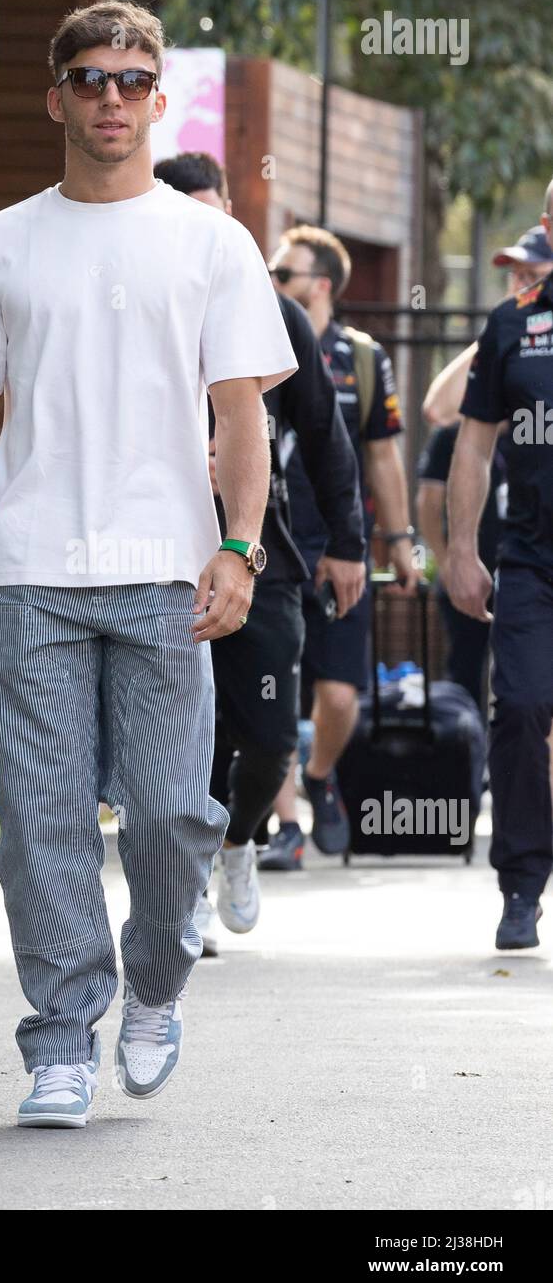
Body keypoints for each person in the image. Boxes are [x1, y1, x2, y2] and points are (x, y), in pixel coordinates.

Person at [0, 0, 297, 1127]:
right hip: (31, 577)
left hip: (168, 575)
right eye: (89, 79)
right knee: (41, 822)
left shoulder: (210, 244)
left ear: (158, 99)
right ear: (55, 97)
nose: (111, 98)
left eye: (132, 80)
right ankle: (60, 1036)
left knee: (175, 814)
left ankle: (157, 987)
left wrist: (235, 545)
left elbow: (239, 419)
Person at [153, 153, 365, 954]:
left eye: (221, 212)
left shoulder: (277, 315)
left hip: (259, 550)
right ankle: (184, 892)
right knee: (189, 737)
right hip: (162, 553)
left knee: (274, 734)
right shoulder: (143, 306)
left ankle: (239, 842)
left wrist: (347, 543)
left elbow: (324, 436)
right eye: (193, 215)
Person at [269, 226, 420, 856]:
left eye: (284, 276)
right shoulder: (253, 342)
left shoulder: (362, 357)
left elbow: (383, 456)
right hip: (269, 544)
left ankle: (320, 776)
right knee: (270, 687)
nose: (271, 284)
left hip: (337, 547)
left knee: (337, 691)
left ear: (321, 285)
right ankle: (288, 827)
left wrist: (400, 539)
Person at [446, 179, 553, 951]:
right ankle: (520, 885)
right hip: (530, 559)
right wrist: (458, 548)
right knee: (518, 707)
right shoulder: (513, 324)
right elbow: (475, 443)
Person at [416, 421, 509, 712]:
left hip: (522, 574)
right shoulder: (451, 436)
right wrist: (447, 564)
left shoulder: (531, 433)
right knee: (465, 671)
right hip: (468, 572)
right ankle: (465, 748)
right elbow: (428, 504)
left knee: (522, 679)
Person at [423, 225, 553, 428]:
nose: (520, 287)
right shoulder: (512, 335)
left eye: (533, 276)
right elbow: (439, 410)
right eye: (517, 275)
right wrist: (499, 332)